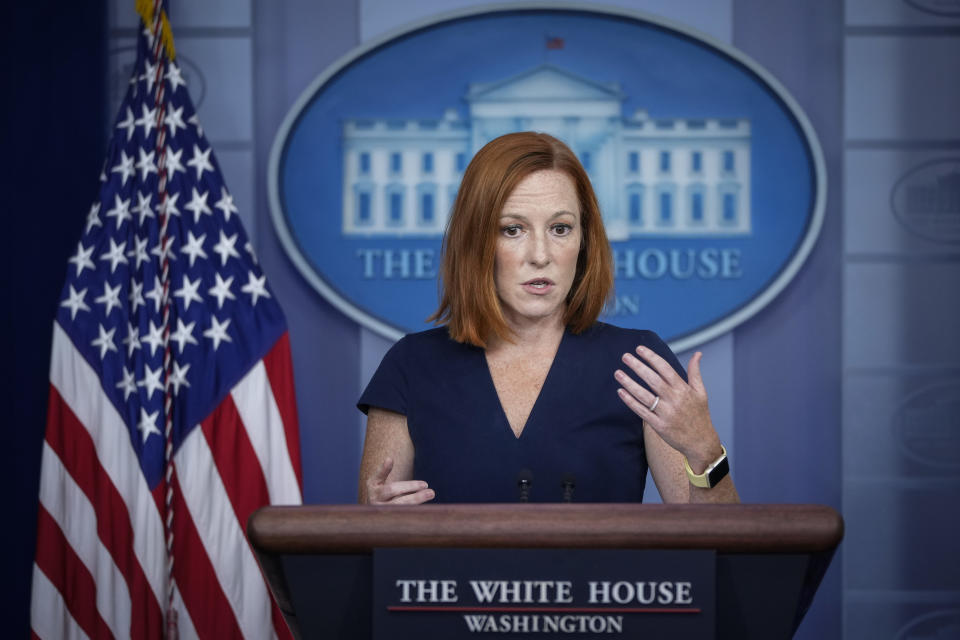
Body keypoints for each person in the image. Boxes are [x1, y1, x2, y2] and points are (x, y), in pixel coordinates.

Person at [357, 132, 739, 505]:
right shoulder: (411, 365)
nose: (540, 255)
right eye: (513, 229)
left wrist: (706, 451)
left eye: (560, 228)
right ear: (475, 243)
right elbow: (372, 539)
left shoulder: (637, 362)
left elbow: (719, 547)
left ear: (583, 241)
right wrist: (376, 523)